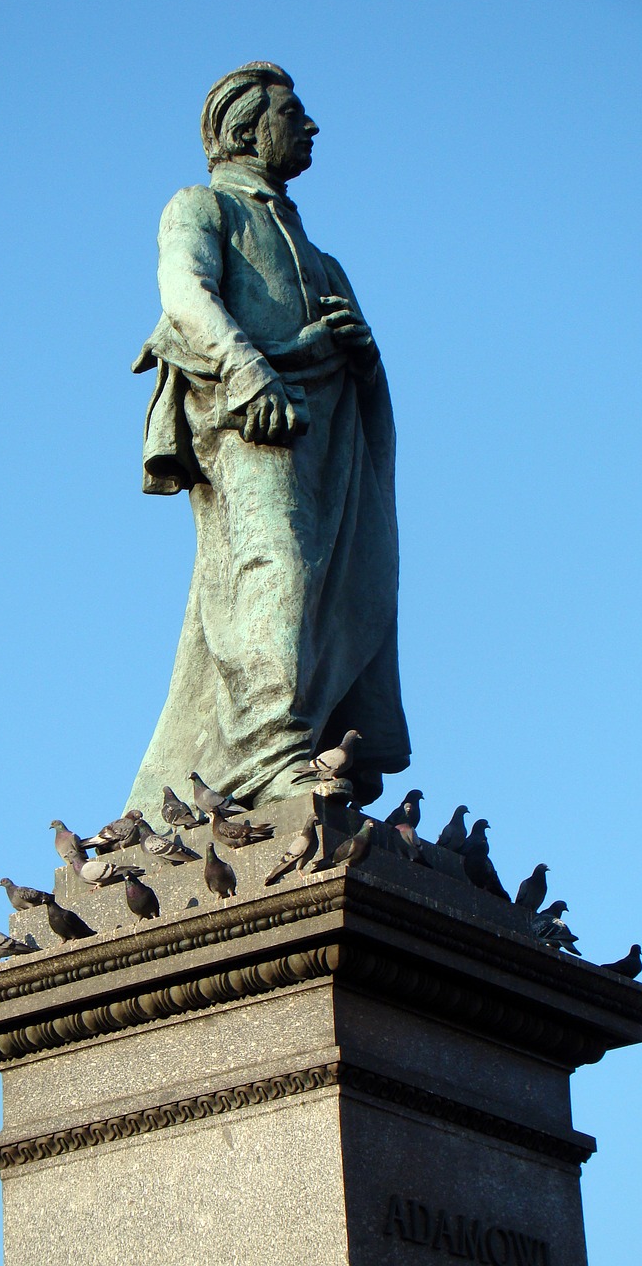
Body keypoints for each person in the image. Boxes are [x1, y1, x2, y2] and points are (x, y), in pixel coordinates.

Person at [126, 62, 410, 817]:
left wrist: (363, 356)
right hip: (249, 418)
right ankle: (271, 754)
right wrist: (248, 368)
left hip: (330, 432)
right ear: (246, 130)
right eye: (293, 113)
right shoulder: (202, 207)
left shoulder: (323, 259)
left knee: (340, 588)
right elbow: (184, 291)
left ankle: (312, 744)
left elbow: (364, 369)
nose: (310, 127)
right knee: (274, 571)